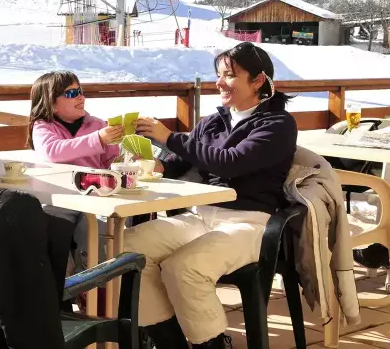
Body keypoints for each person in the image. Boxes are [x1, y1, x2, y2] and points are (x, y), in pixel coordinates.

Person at [126, 42, 297, 349]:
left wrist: (169, 137)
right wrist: (154, 164)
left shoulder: (278, 124)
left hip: (250, 224)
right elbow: (178, 163)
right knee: (129, 248)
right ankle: (167, 340)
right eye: (218, 75)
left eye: (229, 75)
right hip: (201, 216)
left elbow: (231, 162)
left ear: (257, 81)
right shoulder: (212, 122)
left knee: (184, 267)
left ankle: (211, 344)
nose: (218, 83)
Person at [26, 70, 124, 302]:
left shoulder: (96, 124)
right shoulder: (43, 127)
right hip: (58, 198)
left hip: (94, 198)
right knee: (50, 234)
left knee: (96, 232)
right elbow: (54, 151)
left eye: (80, 91)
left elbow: (111, 160)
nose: (80, 97)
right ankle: (58, 292)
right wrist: (98, 139)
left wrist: (124, 158)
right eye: (71, 93)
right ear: (52, 102)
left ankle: (91, 291)